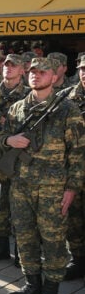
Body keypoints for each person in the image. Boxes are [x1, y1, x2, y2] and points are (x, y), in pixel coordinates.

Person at [0, 57, 84, 294]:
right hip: (21, 185)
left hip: (53, 189)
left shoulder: (68, 110)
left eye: (42, 72)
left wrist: (71, 189)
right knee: (25, 237)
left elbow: (79, 153)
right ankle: (32, 284)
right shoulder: (17, 109)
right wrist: (9, 140)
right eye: (33, 71)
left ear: (54, 77)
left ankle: (50, 292)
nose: (36, 75)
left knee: (54, 240)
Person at [0, 54, 30, 263]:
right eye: (7, 65)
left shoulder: (31, 96)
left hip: (23, 162)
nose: (8, 69)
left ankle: (22, 253)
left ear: (22, 70)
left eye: (14, 66)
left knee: (21, 210)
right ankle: (1, 246)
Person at [62, 55, 85, 281]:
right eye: (82, 70)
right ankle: (77, 259)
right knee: (74, 217)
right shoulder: (68, 97)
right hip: (73, 166)